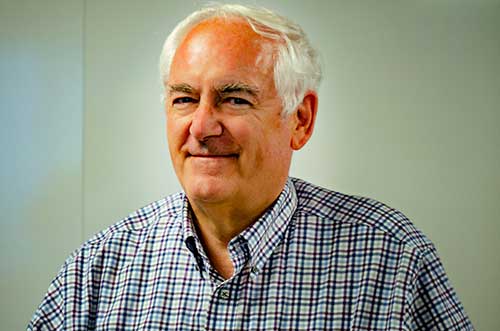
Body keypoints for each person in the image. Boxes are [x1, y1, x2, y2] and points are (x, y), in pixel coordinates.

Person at [28, 4, 474, 330]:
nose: (201, 126)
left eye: (234, 98)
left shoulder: (391, 260)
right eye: (184, 98)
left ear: (300, 120)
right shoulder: (97, 269)